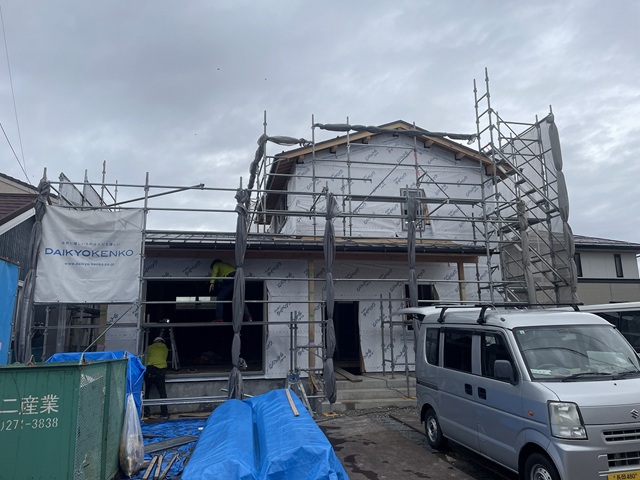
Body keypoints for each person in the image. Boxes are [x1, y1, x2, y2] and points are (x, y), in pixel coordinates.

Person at [144, 337, 169, 418]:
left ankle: (146, 413)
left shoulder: (149, 348)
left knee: (146, 392)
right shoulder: (165, 349)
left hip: (150, 370)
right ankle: (164, 413)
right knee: (162, 393)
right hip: (160, 372)